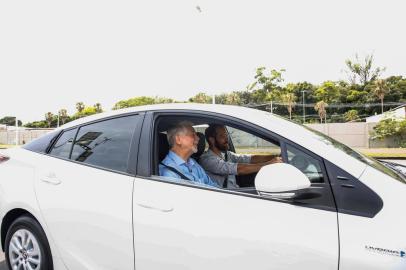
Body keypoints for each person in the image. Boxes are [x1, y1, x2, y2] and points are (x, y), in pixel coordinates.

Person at [199, 124, 282, 188]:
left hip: (236, 192)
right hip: (224, 197)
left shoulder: (227, 155)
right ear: (212, 140)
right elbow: (239, 168)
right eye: (222, 136)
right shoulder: (207, 159)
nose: (226, 138)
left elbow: (249, 158)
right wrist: (268, 164)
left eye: (226, 135)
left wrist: (275, 157)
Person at [159, 121, 219, 188]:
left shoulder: (193, 163)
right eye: (193, 135)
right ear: (178, 139)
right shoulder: (169, 173)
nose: (198, 138)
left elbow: (212, 186)